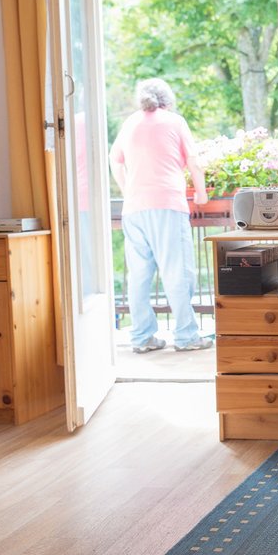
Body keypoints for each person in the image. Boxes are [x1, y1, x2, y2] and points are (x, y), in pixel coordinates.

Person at [109, 77, 213, 354]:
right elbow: (193, 161)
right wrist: (201, 194)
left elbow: (114, 159)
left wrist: (127, 187)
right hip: (167, 204)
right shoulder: (174, 121)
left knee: (139, 276)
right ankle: (186, 335)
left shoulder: (130, 122)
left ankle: (142, 337)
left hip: (134, 208)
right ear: (167, 100)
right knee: (177, 271)